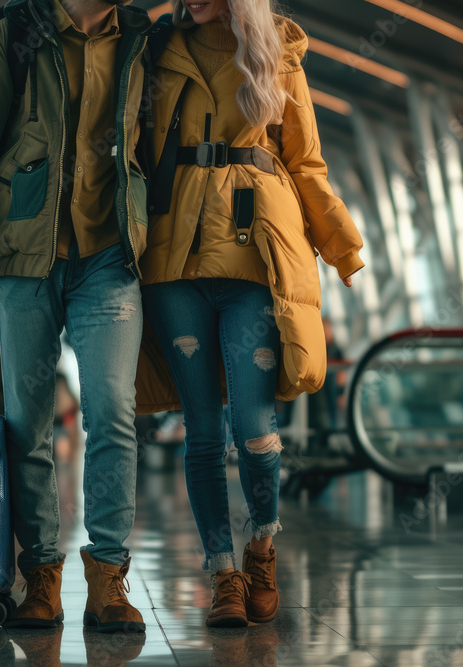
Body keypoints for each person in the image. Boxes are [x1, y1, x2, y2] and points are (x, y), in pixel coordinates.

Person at [134, 0, 364, 627]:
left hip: (256, 261)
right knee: (202, 432)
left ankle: (262, 544)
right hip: (173, 262)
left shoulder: (279, 53)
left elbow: (305, 162)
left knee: (255, 426)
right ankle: (222, 575)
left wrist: (342, 247)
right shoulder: (157, 49)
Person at [0, 0, 153, 633]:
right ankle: (41, 577)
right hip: (27, 254)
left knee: (111, 411)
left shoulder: (141, 39)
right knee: (27, 422)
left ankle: (109, 578)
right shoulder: (15, 32)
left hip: (110, 255)